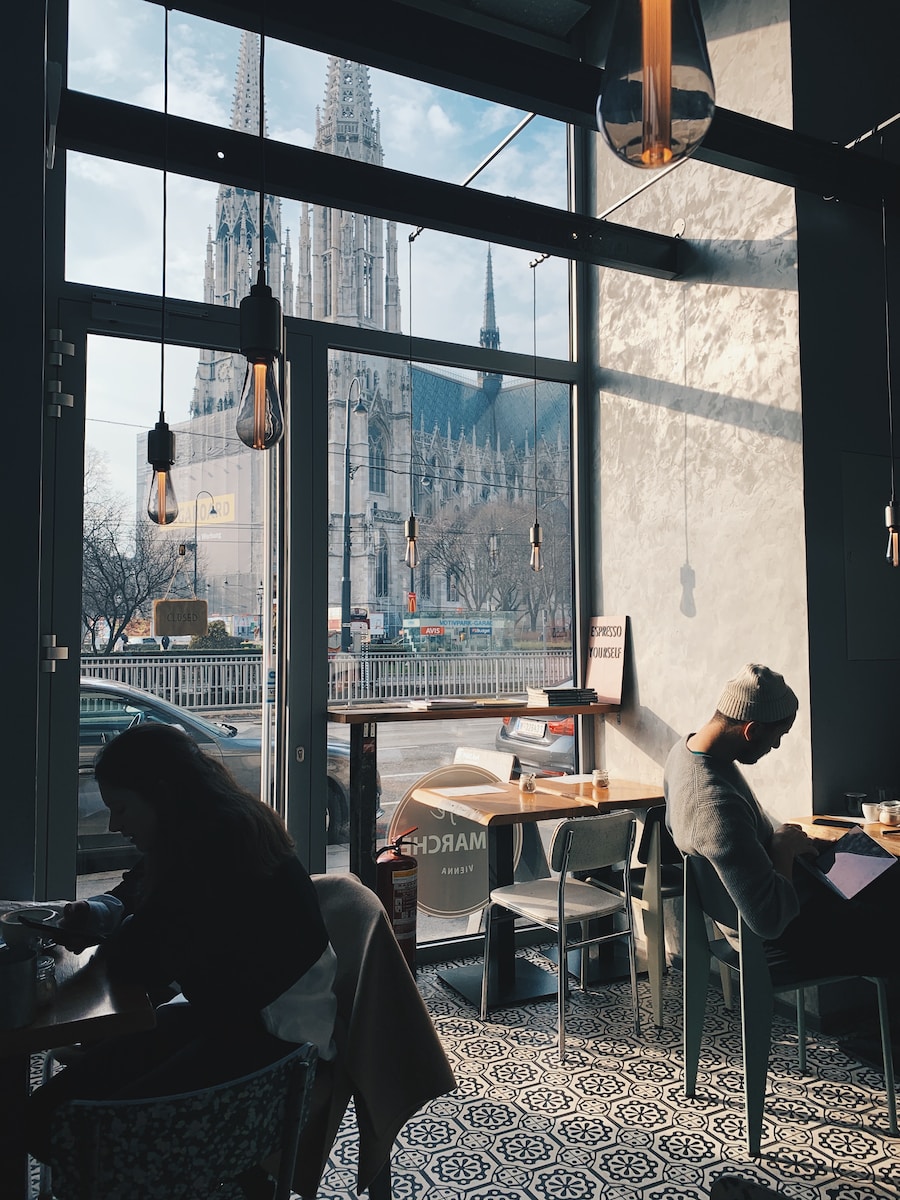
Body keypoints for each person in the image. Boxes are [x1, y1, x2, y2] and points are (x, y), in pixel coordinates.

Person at [27, 722, 337, 1198]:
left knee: (55, 1121)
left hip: (271, 1054)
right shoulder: (218, 823)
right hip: (260, 1025)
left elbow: (139, 964)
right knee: (51, 1111)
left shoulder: (210, 852)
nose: (114, 825)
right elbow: (139, 890)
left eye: (122, 809)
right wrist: (98, 911)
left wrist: (105, 929)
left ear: (162, 794)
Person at [664, 663, 900, 1065]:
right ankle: (886, 1044)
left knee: (880, 870)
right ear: (751, 730)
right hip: (780, 938)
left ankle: (882, 1032)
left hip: (781, 904)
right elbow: (769, 919)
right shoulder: (714, 803)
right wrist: (783, 850)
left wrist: (782, 844)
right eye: (777, 736)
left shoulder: (684, 753)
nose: (776, 747)